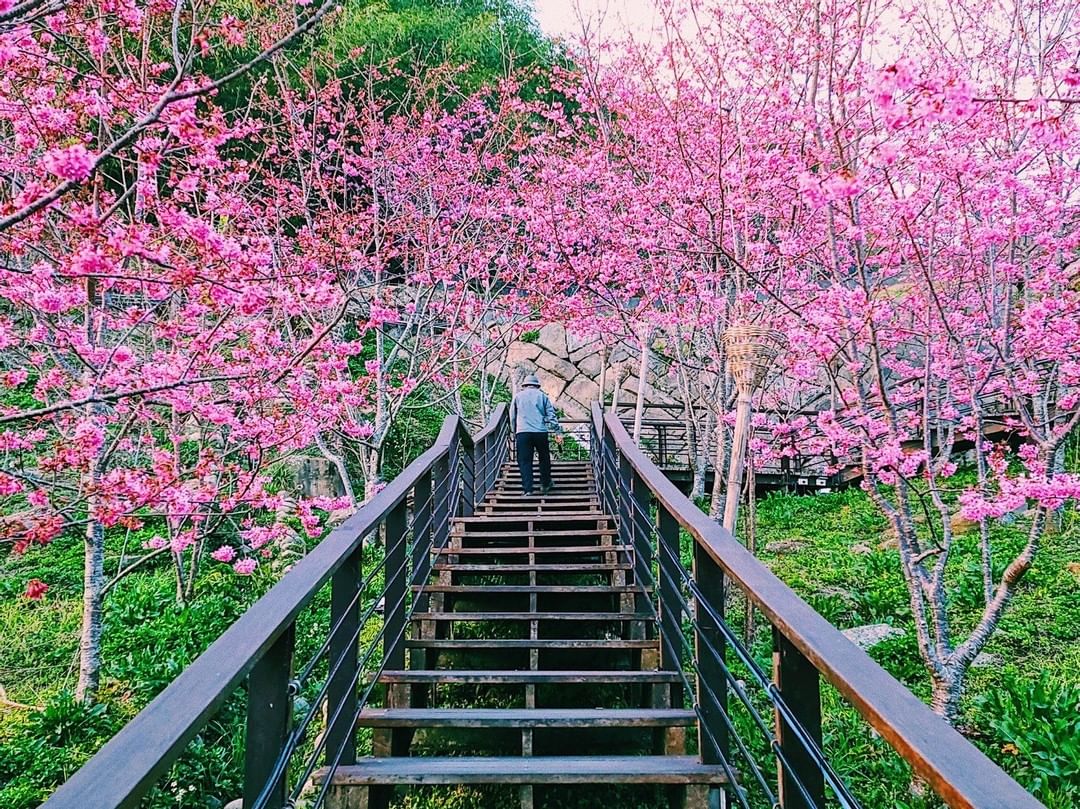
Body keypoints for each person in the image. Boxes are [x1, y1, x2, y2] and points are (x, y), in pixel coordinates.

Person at [509, 373, 563, 495]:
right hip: (540, 432)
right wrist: (557, 430)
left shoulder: (518, 397)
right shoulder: (543, 396)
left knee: (524, 461)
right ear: (537, 386)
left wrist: (514, 430)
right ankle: (545, 484)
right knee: (544, 458)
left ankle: (528, 489)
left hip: (523, 432)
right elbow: (551, 416)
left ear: (525, 385)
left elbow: (512, 416)